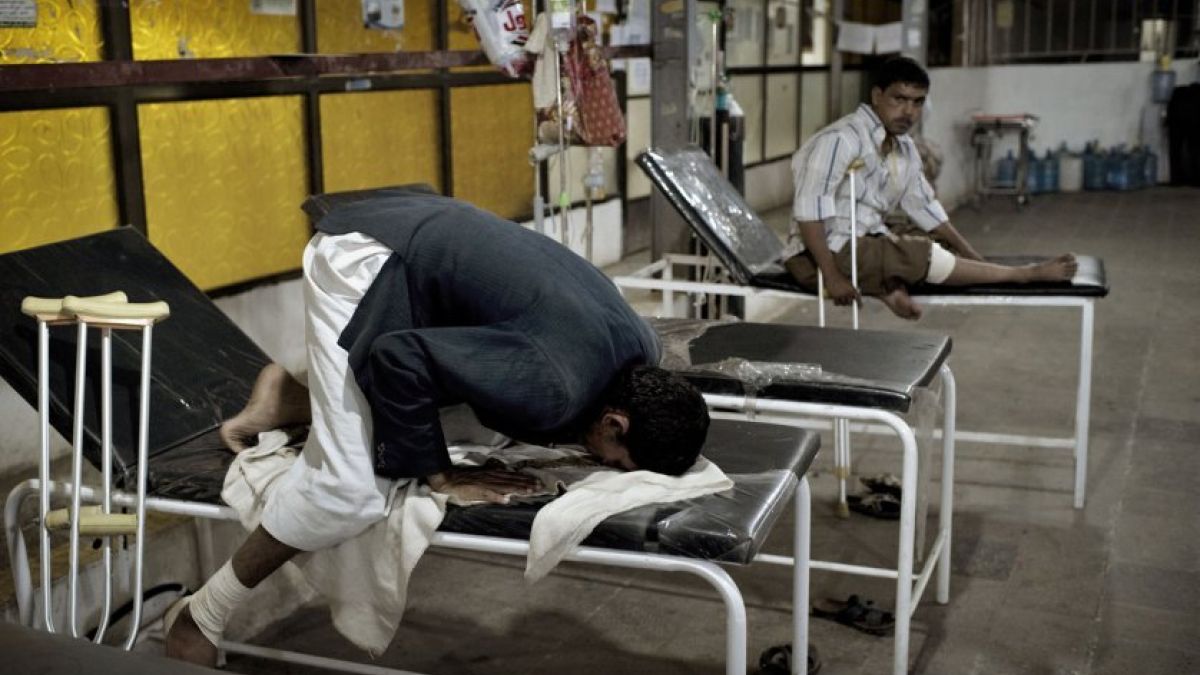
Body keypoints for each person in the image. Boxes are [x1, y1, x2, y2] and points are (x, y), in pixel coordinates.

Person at [166, 187, 710, 665]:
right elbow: (399, 357)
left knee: (464, 417)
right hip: (366, 258)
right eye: (614, 460)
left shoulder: (644, 348)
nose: (600, 465)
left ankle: (294, 399)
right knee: (351, 492)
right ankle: (201, 616)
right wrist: (440, 475)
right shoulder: (553, 388)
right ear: (615, 423)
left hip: (431, 240)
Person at [784, 56, 1078, 320]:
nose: (908, 111)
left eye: (917, 102)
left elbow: (926, 209)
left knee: (937, 243)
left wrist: (972, 255)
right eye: (899, 99)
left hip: (864, 238)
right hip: (817, 255)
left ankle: (889, 289)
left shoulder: (904, 147)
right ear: (877, 96)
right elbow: (809, 213)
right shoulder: (841, 139)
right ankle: (1022, 274)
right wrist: (832, 277)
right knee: (919, 253)